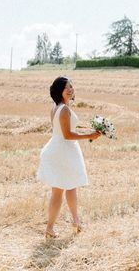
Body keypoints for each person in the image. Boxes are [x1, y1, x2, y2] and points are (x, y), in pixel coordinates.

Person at [36, 76, 101, 239]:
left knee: (69, 187)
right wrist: (89, 135)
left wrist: (89, 130)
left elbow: (65, 129)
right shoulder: (64, 109)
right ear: (60, 92)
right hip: (62, 151)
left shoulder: (57, 107)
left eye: (71, 86)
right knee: (61, 190)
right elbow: (67, 134)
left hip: (59, 149)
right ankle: (53, 227)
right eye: (67, 88)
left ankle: (74, 221)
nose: (71, 90)